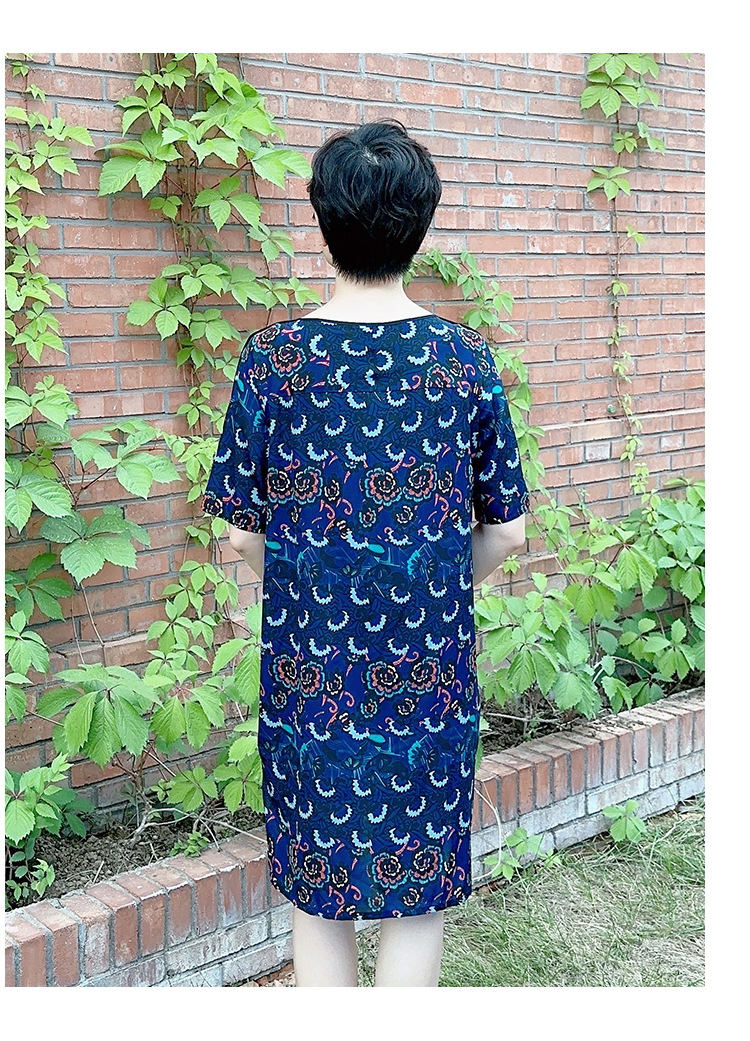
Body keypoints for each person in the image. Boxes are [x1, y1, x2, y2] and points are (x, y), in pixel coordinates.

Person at [202, 119, 530, 987]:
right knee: (416, 895)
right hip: (429, 673)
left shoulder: (272, 359)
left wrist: (319, 581)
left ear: (323, 218)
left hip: (311, 671)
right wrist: (427, 584)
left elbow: (239, 530)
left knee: (320, 895)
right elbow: (507, 529)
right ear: (421, 223)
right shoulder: (464, 360)